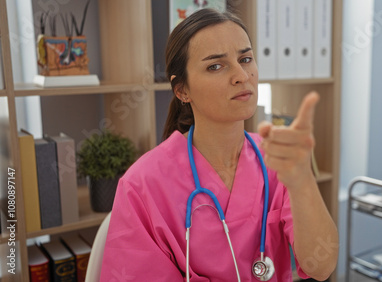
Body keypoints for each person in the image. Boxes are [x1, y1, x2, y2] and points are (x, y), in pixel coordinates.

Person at [100, 8, 338, 281]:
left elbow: (322, 266)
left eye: (245, 59)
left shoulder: (277, 160)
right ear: (182, 90)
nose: (241, 75)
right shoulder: (142, 185)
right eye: (216, 66)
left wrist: (303, 179)